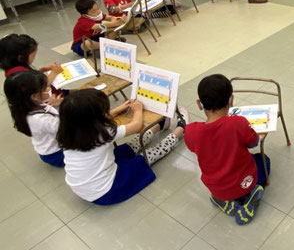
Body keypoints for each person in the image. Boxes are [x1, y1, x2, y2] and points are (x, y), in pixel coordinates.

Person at [57, 89, 186, 205]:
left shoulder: (69, 132)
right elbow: (136, 126)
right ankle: (180, 130)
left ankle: (159, 126)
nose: (107, 113)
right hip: (107, 192)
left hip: (83, 188)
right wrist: (138, 109)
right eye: (104, 111)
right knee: (144, 157)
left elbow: (93, 119)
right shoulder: (103, 133)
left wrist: (119, 109)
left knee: (125, 149)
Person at [184, 74, 268, 225]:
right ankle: (250, 197)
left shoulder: (190, 131)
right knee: (264, 161)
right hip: (244, 183)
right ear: (231, 100)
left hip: (215, 187)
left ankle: (222, 200)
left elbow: (195, 148)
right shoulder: (238, 123)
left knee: (222, 181)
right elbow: (254, 142)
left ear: (199, 104)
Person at [4, 70, 64, 167]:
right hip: (56, 154)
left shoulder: (24, 106)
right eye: (46, 88)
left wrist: (55, 106)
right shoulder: (40, 119)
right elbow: (66, 129)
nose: (49, 89)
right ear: (34, 96)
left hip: (47, 148)